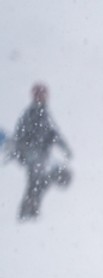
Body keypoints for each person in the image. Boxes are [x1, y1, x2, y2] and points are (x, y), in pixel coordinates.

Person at [6, 83, 73, 221]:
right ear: (35, 95)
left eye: (44, 94)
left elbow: (53, 133)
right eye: (40, 94)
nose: (42, 97)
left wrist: (64, 146)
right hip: (32, 156)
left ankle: (30, 211)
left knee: (40, 182)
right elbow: (20, 135)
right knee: (36, 182)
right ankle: (27, 213)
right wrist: (22, 151)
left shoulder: (44, 113)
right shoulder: (31, 113)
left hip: (41, 156)